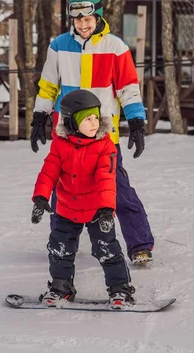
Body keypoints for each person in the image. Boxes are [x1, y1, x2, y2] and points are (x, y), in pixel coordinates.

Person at [30, 0, 154, 265]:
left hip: (102, 134)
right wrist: (39, 117)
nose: (83, 25)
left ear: (98, 16)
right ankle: (61, 244)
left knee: (116, 189)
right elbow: (48, 86)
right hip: (67, 134)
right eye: (78, 20)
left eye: (88, 18)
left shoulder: (115, 47)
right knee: (62, 191)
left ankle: (140, 245)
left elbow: (128, 89)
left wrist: (136, 123)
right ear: (71, 20)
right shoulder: (58, 46)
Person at [30, 89, 135, 309]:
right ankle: (61, 288)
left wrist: (107, 209)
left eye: (96, 116)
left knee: (107, 249)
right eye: (87, 118)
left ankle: (120, 289)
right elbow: (49, 172)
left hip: (97, 210)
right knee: (59, 249)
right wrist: (40, 198)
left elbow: (106, 177)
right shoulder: (60, 145)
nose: (94, 122)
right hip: (67, 208)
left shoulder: (104, 146)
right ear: (71, 122)